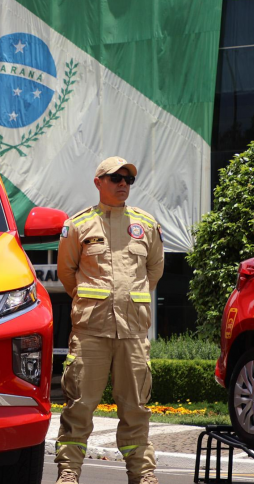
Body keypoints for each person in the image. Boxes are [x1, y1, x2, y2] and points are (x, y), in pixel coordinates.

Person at [54, 156, 165, 484]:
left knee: (136, 410)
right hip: (91, 333)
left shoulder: (145, 225)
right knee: (79, 407)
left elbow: (154, 270)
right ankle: (69, 474)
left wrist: (130, 302)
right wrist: (95, 303)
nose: (122, 184)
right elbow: (66, 273)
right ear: (98, 182)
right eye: (115, 178)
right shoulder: (79, 225)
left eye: (128, 179)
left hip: (132, 334)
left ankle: (143, 476)